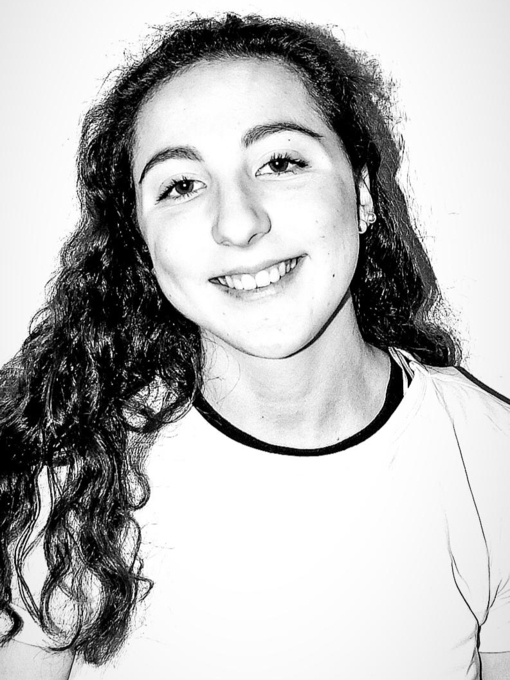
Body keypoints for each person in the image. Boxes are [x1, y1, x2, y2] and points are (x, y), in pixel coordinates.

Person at [0, 13, 509, 680]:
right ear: (143, 243)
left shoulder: (492, 464)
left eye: (280, 161)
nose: (238, 223)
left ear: (361, 194)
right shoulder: (74, 473)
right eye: (181, 185)